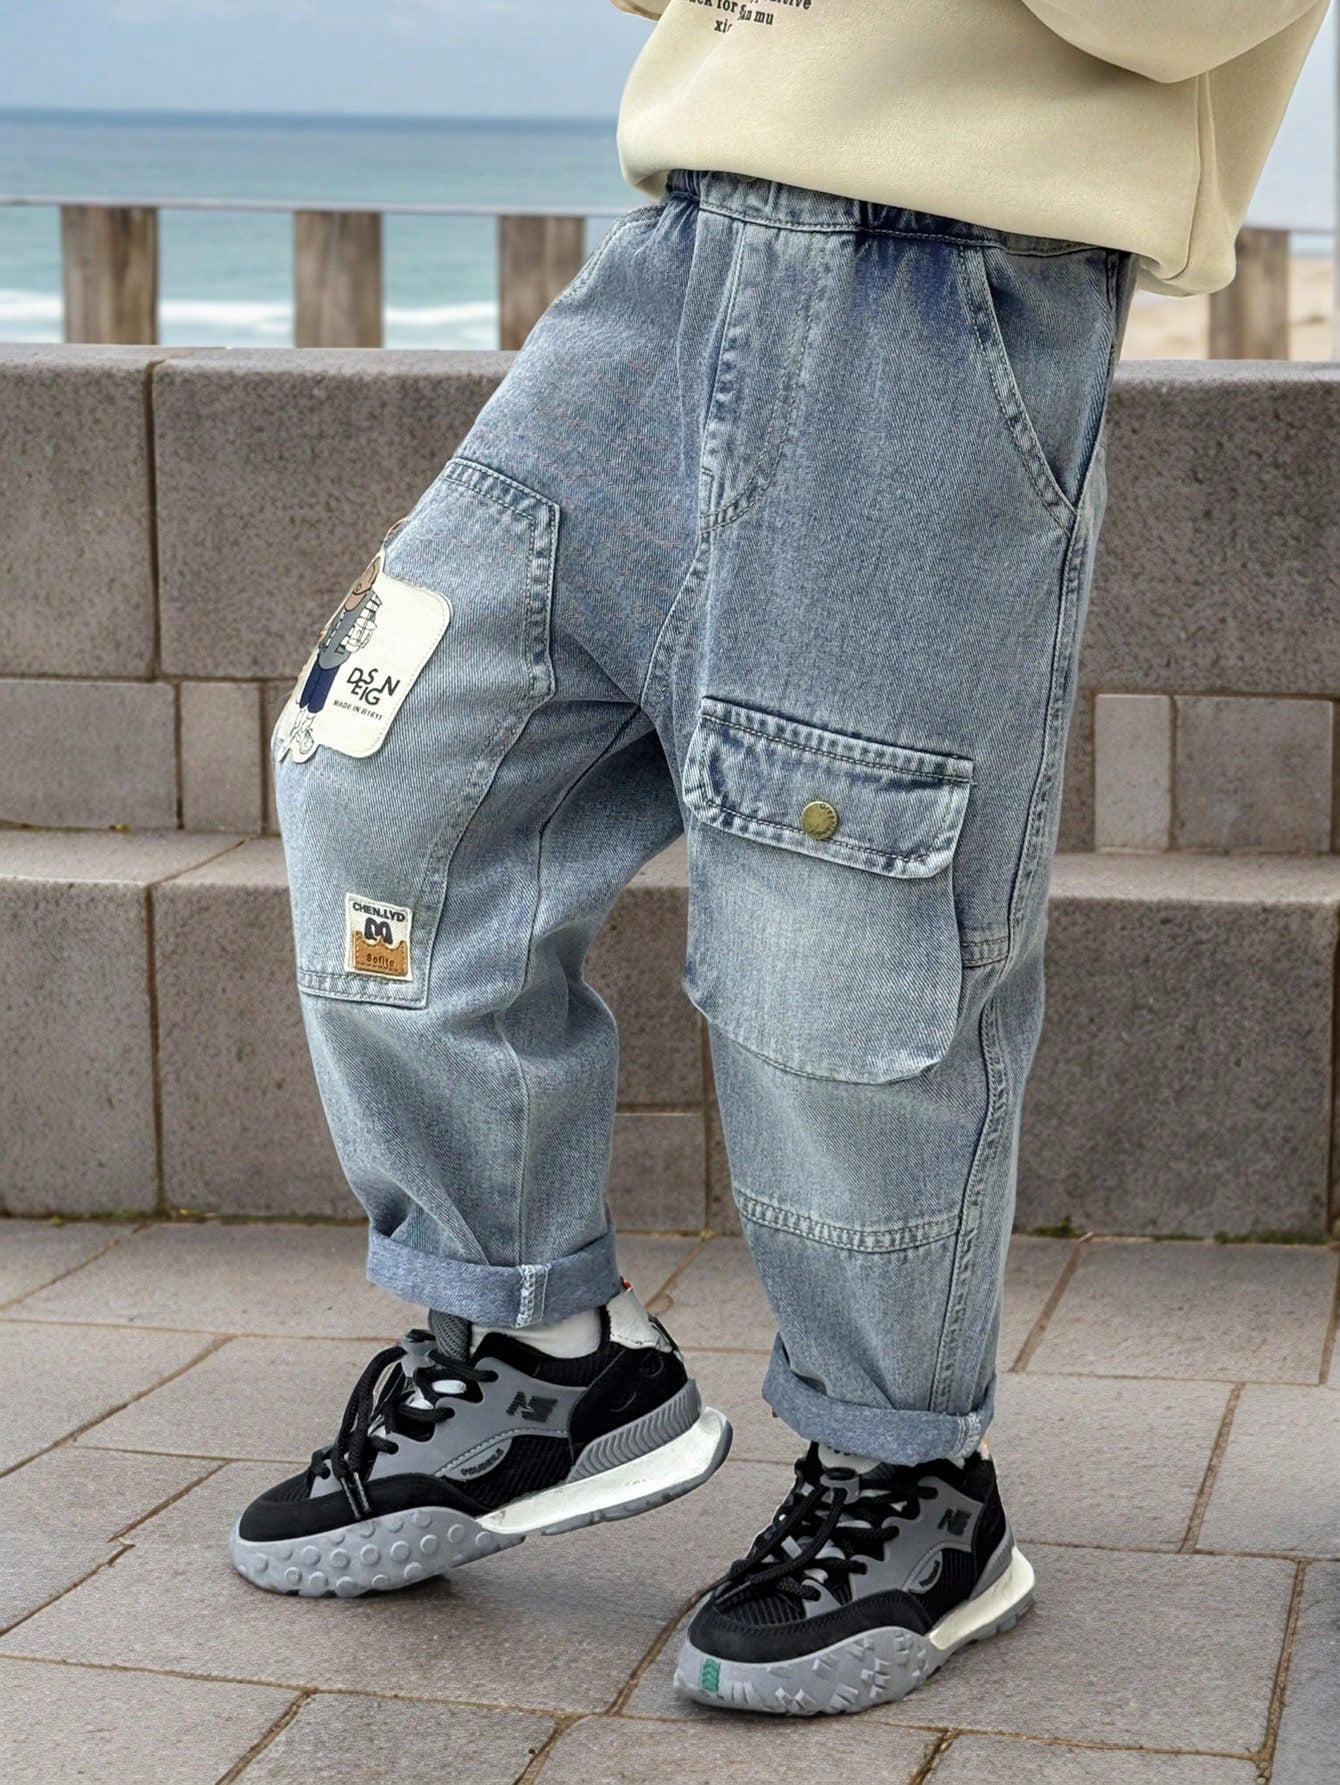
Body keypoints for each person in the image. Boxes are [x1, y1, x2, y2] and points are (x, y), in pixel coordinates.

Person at [231, 0, 1328, 1717]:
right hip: (674, 259)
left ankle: (910, 1480)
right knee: (379, 761)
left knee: (838, 921)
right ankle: (535, 1351)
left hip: (948, 299)